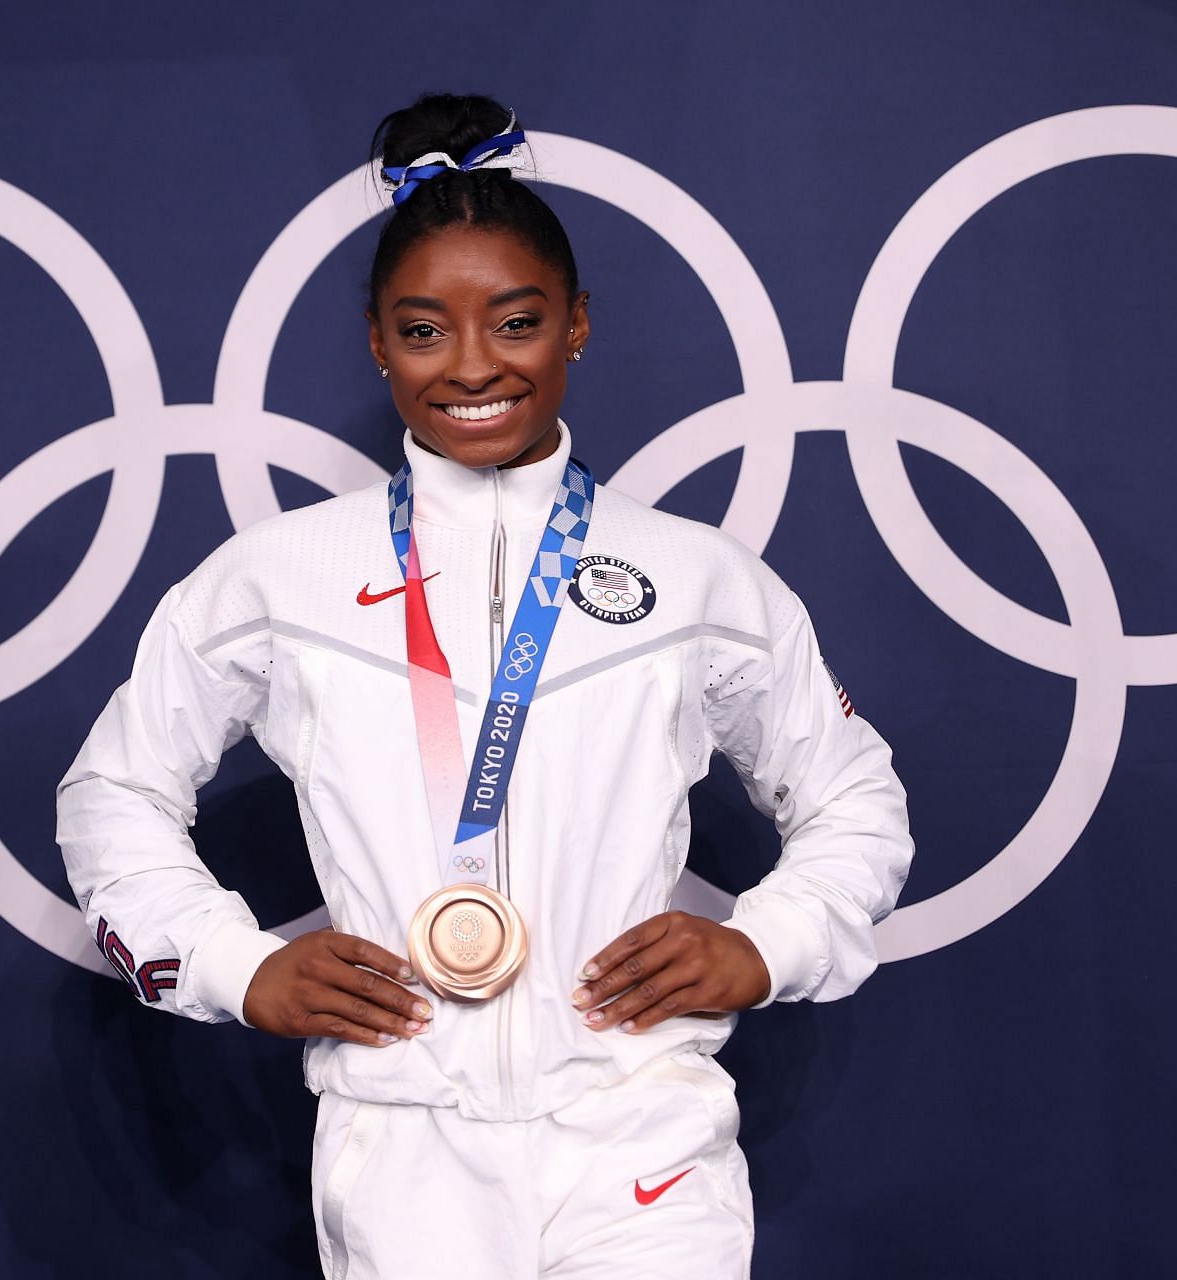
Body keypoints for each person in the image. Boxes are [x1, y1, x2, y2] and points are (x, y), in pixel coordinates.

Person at [56, 92, 912, 1279]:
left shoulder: (696, 574)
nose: (470, 367)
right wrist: (229, 962)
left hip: (642, 1125)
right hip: (404, 1143)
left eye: (514, 322)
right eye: (423, 330)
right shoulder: (279, 574)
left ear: (576, 326)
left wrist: (768, 938)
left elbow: (854, 793)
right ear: (375, 342)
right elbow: (112, 792)